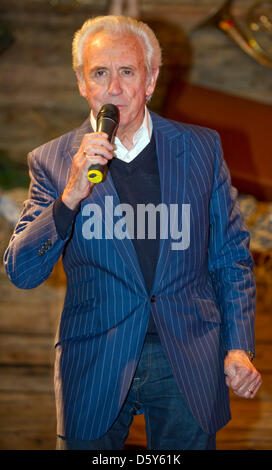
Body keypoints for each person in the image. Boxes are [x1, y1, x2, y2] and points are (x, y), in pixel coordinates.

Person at [4, 15, 262, 450]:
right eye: (99, 73)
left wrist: (239, 346)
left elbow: (229, 256)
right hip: (95, 358)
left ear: (151, 78)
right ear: (82, 84)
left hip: (187, 354)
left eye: (127, 71)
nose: (114, 88)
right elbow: (21, 271)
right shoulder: (51, 161)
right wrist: (68, 197)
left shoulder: (201, 148)